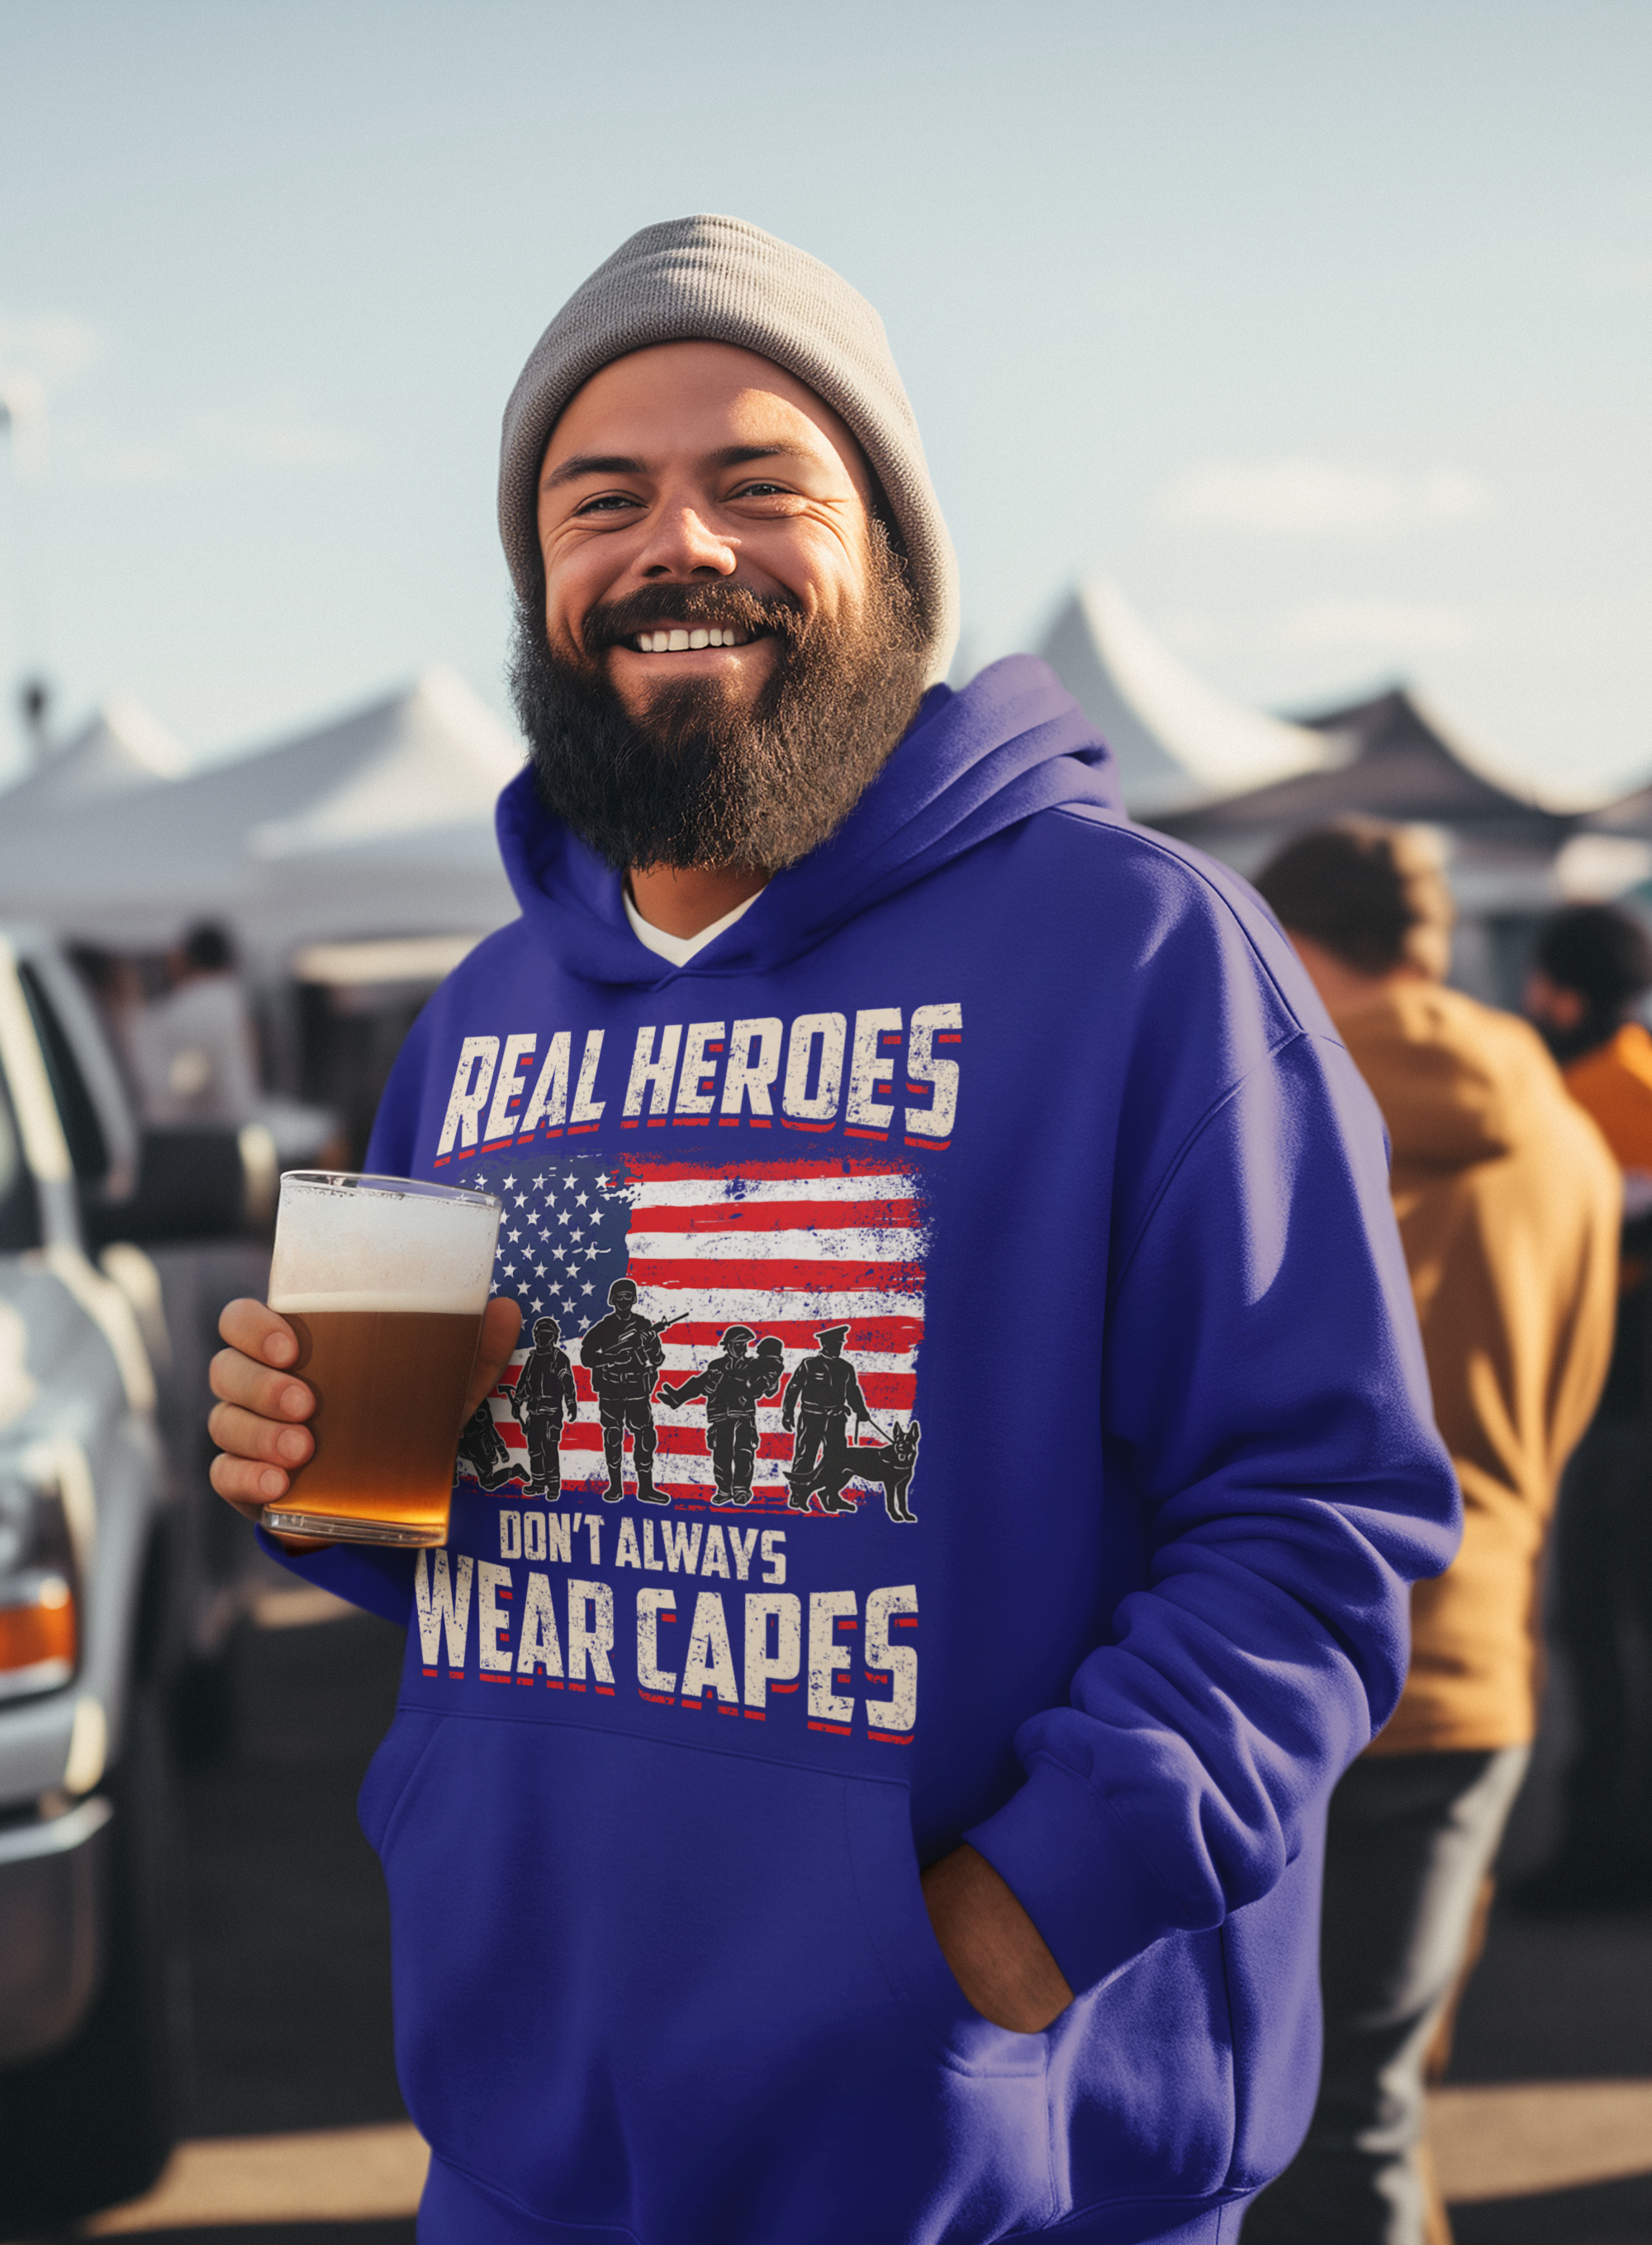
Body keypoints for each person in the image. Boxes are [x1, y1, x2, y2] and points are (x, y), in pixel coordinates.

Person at [206, 216, 1458, 2245]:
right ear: (544, 583)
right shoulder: (482, 1016)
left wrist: (1010, 1924)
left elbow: (1318, 1525)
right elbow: (417, 1526)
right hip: (527, 2157)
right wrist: (308, 1484)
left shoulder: (1135, 954)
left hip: (985, 2173)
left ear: (885, 546)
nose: (672, 541)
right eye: (599, 499)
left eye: (757, 481)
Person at [1242, 822, 1616, 2245]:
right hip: (1482, 1669)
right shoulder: (1568, 1127)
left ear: (1283, 943)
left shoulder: (1264, 1105)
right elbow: (1572, 1394)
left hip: (1281, 1671)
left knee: (1292, 2126)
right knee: (1379, 2103)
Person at [1521, 902, 1652, 1906]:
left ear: (1564, 991)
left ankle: (1607, 1853)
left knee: (1602, 1636)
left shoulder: (1567, 1104)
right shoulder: (1640, 1080)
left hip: (1612, 1411)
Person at [125, 920, 261, 1126]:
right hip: (223, 1129)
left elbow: (158, 1094)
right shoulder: (230, 1001)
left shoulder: (168, 1016)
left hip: (191, 1134)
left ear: (182, 959)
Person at [658, 1323, 784, 1506]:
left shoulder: (754, 1365)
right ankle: (724, 1490)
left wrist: (770, 1378)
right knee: (722, 1454)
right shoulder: (717, 1365)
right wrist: (713, 1384)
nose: (742, 1348)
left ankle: (741, 1490)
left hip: (743, 1415)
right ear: (728, 1345)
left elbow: (768, 1387)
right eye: (738, 1344)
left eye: (744, 1344)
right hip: (721, 1415)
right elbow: (706, 1388)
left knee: (744, 1453)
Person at [578, 1277, 670, 1505]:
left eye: (628, 1297)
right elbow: (586, 1356)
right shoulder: (604, 1327)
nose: (624, 1301)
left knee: (646, 1437)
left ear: (634, 1299)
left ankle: (646, 1488)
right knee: (612, 1437)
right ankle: (615, 1487)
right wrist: (612, 1357)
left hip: (637, 1389)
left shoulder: (643, 1325)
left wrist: (649, 1344)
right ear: (612, 1300)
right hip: (611, 1389)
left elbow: (657, 1358)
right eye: (619, 1297)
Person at [781, 1322, 873, 1512]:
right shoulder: (809, 1364)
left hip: (836, 1419)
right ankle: (798, 1496)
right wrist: (788, 1413)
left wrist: (861, 1411)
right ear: (825, 1345)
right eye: (836, 1344)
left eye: (841, 1344)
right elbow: (793, 1388)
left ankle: (831, 1496)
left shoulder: (846, 1368)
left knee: (837, 1460)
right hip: (811, 1418)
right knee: (806, 1456)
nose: (840, 1347)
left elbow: (853, 1392)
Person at [511, 1314, 579, 1499]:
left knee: (549, 1450)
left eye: (547, 1335)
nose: (543, 1338)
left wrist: (571, 1403)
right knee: (534, 1450)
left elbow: (567, 1382)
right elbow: (524, 1384)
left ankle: (554, 1487)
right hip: (534, 1414)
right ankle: (538, 1484)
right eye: (540, 1335)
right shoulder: (532, 1359)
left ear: (554, 1337)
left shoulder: (559, 1358)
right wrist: (518, 1402)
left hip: (551, 1415)